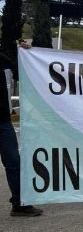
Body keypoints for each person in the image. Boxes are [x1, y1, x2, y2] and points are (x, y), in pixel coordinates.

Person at [1, 42, 43, 217]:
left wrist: (27, 54)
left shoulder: (4, 60)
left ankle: (19, 203)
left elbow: (25, 73)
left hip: (3, 122)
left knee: (13, 162)